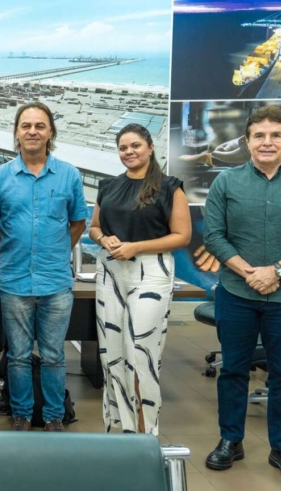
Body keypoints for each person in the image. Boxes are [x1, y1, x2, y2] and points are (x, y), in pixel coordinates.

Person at [202, 106, 281, 486]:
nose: (267, 142)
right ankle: (231, 440)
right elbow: (214, 236)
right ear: (247, 141)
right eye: (259, 135)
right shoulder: (226, 183)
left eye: (276, 135)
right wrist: (250, 273)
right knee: (233, 371)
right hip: (236, 294)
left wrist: (276, 271)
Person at [0, 102, 87, 432]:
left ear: (50, 132)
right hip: (14, 281)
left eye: (39, 126)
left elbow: (77, 223)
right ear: (16, 132)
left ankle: (55, 416)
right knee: (17, 355)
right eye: (26, 125)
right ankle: (22, 415)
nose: (32, 131)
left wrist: (55, 252)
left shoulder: (69, 175)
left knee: (54, 355)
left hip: (55, 282)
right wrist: (11, 250)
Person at [88, 123, 191, 435]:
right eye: (123, 148)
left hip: (151, 270)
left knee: (141, 352)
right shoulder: (108, 186)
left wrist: (136, 247)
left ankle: (146, 435)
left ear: (150, 147)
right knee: (112, 353)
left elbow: (182, 236)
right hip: (110, 270)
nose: (128, 152)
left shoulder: (170, 187)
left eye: (135, 145)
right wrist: (104, 239)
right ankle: (119, 430)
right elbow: (95, 227)